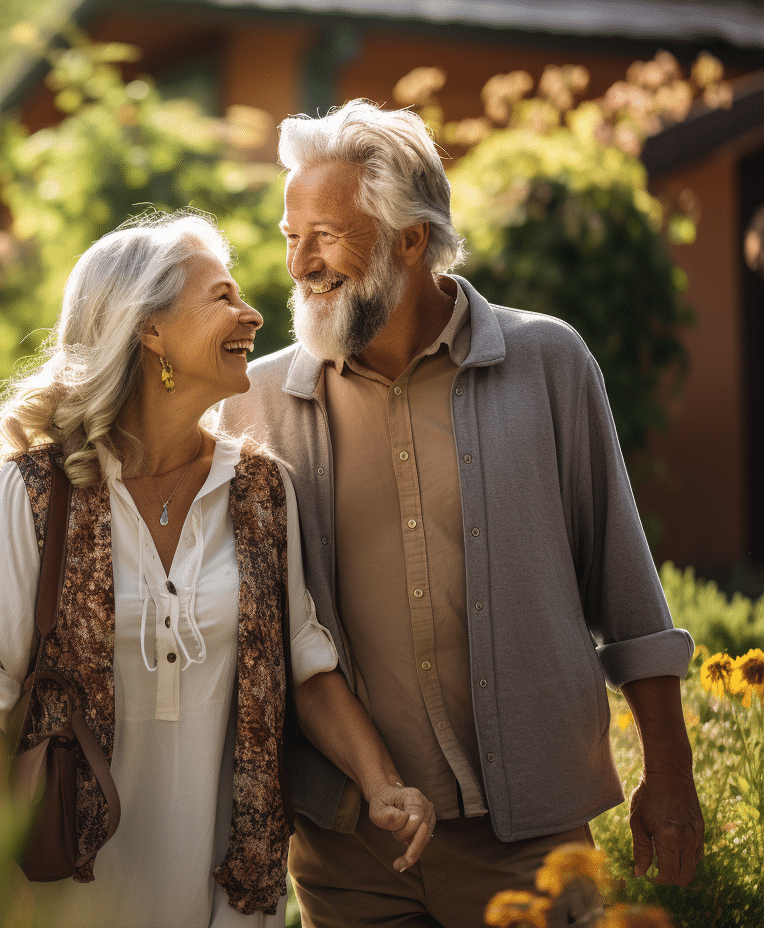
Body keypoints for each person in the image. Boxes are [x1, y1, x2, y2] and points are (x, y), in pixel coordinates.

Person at [219, 100, 705, 927]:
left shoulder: (546, 362)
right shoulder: (257, 399)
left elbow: (623, 584)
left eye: (327, 235)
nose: (300, 264)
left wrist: (671, 771)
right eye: (289, 235)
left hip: (531, 837)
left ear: (410, 239)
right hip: (348, 845)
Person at [0, 212, 436, 928]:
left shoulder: (261, 490)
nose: (254, 313)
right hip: (51, 896)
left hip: (217, 896)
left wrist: (384, 784)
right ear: (149, 330)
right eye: (223, 297)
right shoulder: (37, 493)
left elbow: (307, 668)